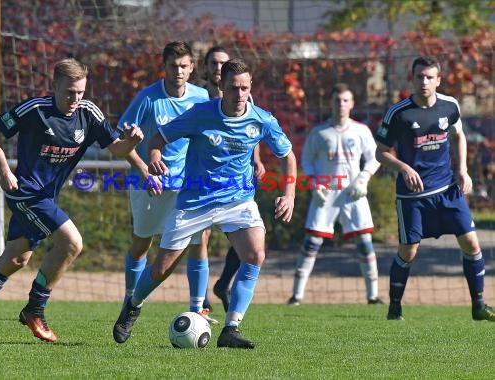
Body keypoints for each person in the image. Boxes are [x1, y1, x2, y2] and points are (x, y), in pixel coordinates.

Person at [0, 58, 144, 343]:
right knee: (72, 242)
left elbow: (116, 148)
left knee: (16, 258)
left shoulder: (88, 113)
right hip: (25, 191)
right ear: (55, 86)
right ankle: (35, 309)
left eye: (80, 92)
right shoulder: (36, 109)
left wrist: (133, 142)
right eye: (69, 92)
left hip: (46, 197)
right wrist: (4, 171)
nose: (75, 99)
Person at [113, 57, 297, 349]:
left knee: (255, 254)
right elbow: (158, 138)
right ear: (221, 86)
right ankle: (133, 304)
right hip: (194, 202)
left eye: (245, 88)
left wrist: (289, 195)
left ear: (251, 88)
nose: (239, 95)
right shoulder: (200, 113)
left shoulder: (262, 119)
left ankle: (231, 329)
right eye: (234, 88)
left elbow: (287, 155)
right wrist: (155, 157)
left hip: (238, 200)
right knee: (161, 268)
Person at [374, 56, 495, 321]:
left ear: (438, 80)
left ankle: (478, 305)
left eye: (430, 77)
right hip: (412, 196)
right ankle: (394, 307)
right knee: (409, 251)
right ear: (413, 79)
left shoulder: (450, 106)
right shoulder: (399, 113)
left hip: (447, 190)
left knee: (472, 243)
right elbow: (380, 153)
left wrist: (462, 169)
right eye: (420, 77)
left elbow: (459, 135)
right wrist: (404, 168)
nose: (424, 82)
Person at [117, 41, 216, 321]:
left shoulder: (201, 98)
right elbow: (121, 141)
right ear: (164, 67)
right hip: (148, 184)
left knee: (198, 243)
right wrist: (145, 170)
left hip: (187, 186)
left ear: (192, 68)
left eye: (184, 66)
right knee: (142, 244)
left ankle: (198, 309)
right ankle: (130, 301)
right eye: (173, 66)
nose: (178, 71)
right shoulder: (147, 98)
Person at [287, 83, 383, 306]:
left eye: (345, 100)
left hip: (353, 194)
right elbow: (307, 161)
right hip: (325, 195)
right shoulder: (319, 132)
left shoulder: (361, 131)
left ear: (352, 104)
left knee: (365, 243)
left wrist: (363, 178)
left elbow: (374, 157)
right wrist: (314, 184)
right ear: (330, 103)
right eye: (337, 100)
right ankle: (296, 296)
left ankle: (373, 296)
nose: (341, 104)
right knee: (311, 243)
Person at [200, 46, 266, 312]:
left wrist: (258, 159)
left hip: (237, 177)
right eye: (214, 63)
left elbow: (252, 131)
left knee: (245, 235)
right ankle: (201, 298)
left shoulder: (242, 96)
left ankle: (224, 283)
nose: (218, 67)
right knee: (201, 238)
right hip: (203, 177)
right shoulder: (199, 97)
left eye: (223, 63)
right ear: (205, 67)